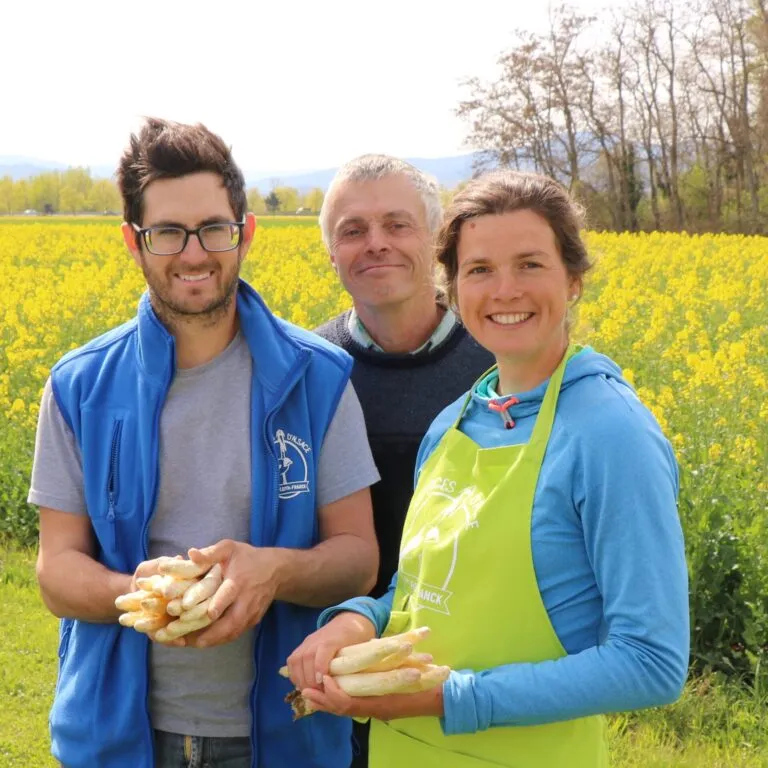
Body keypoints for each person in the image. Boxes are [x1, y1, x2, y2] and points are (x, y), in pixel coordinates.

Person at [287, 170, 690, 767]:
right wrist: (358, 619)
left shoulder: (610, 432)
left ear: (573, 279)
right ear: (454, 283)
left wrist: (453, 699)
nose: (504, 291)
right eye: (479, 270)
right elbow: (425, 591)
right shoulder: (454, 422)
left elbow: (651, 662)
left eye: (529, 264)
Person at [29, 118, 380, 768]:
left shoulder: (318, 378)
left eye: (213, 228)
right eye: (167, 233)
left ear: (244, 232)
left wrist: (272, 571)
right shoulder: (79, 386)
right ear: (133, 243)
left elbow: (357, 556)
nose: (194, 254)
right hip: (117, 742)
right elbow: (56, 569)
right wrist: (149, 597)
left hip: (283, 738)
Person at [313, 155, 493, 766]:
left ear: (437, 240)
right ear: (330, 253)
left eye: (397, 224)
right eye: (353, 230)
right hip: (339, 664)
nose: (376, 244)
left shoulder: (498, 359)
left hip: (471, 670)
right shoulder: (308, 369)